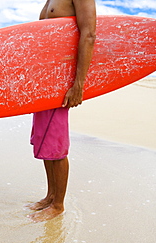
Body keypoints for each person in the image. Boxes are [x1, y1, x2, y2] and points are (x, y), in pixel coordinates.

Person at [27, 0, 96, 222]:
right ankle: (50, 196)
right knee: (45, 140)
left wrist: (79, 84)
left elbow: (89, 34)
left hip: (61, 79)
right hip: (45, 79)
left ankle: (58, 205)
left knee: (56, 142)